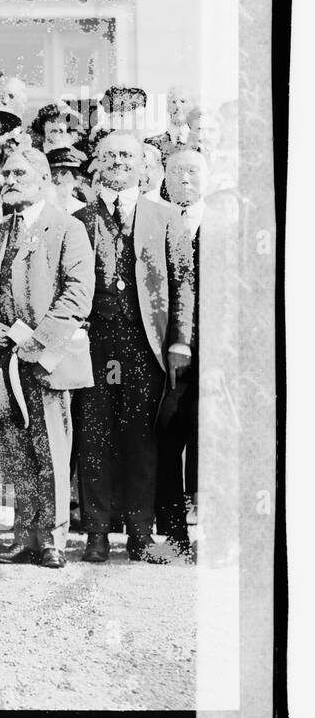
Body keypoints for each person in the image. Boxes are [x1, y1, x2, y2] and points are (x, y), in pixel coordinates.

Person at [72, 131, 195, 563]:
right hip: (95, 344)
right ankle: (97, 533)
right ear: (97, 164)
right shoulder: (80, 219)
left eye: (127, 154)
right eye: (110, 155)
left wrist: (181, 340)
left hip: (146, 344)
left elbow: (183, 283)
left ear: (142, 165)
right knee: (95, 436)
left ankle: (141, 533)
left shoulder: (165, 216)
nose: (119, 162)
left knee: (142, 438)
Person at [0, 148, 95, 569]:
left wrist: (38, 341)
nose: (9, 180)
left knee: (50, 449)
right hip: (5, 360)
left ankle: (52, 539)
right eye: (5, 173)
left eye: (18, 173)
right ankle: (26, 534)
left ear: (44, 178)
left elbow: (78, 293)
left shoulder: (67, 228)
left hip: (46, 360)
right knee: (16, 450)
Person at [154, 147, 205, 559]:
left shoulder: (229, 221)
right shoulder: (155, 221)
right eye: (176, 171)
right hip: (167, 354)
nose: (185, 179)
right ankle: (174, 537)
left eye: (193, 171)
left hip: (216, 352)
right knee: (167, 437)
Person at [145, 87, 193, 160]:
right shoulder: (151, 143)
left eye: (183, 101)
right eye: (173, 102)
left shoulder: (201, 142)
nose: (178, 105)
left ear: (191, 107)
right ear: (168, 107)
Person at [47, 145, 90, 214]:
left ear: (75, 179)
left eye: (64, 173)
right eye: (54, 173)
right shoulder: (41, 211)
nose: (59, 179)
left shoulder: (82, 211)